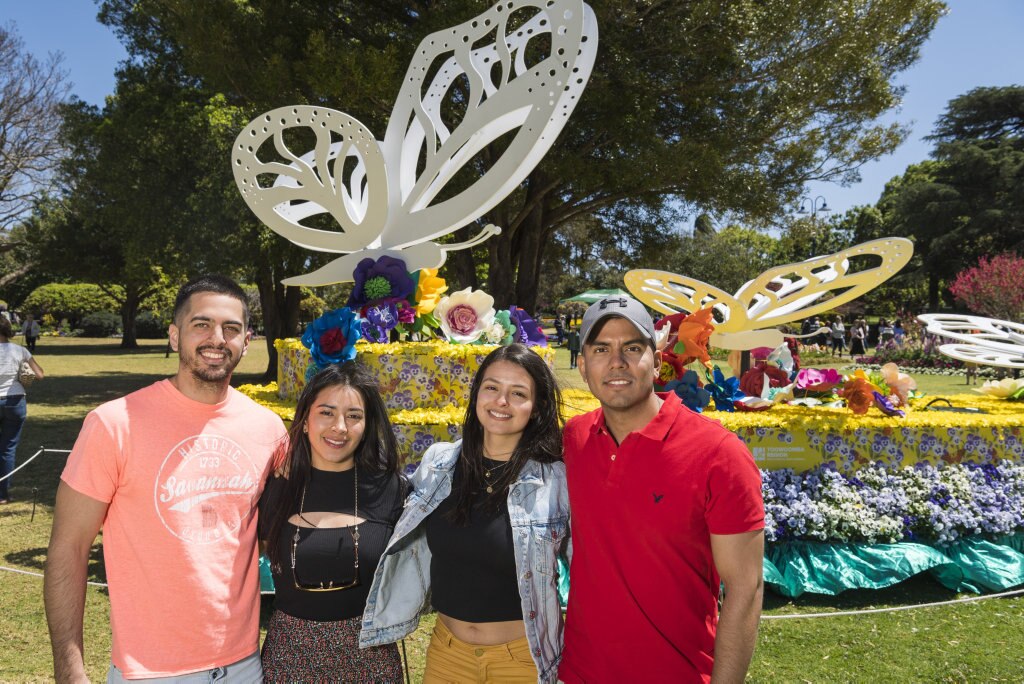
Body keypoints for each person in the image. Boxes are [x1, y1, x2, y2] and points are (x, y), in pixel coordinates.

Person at [44, 275, 288, 682]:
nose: (216, 338)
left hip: (244, 665)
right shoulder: (113, 424)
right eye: (201, 325)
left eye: (231, 328)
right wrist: (70, 674)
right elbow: (68, 548)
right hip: (149, 672)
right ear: (175, 336)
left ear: (247, 341)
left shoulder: (268, 428)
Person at [560, 295, 764, 683]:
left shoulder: (720, 453)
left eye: (632, 348)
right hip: (580, 673)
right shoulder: (574, 438)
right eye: (601, 349)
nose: (616, 362)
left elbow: (746, 588)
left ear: (656, 362)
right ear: (583, 366)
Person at [361, 343, 569, 683]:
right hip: (447, 653)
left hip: (521, 661)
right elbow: (386, 501)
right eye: (491, 388)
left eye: (518, 393)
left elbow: (590, 570)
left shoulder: (556, 479)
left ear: (537, 406)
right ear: (476, 394)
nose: (501, 402)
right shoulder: (439, 463)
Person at [259, 362, 406, 682]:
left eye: (354, 416)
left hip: (370, 661)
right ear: (306, 419)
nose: (340, 426)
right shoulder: (274, 487)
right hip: (290, 658)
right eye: (326, 412)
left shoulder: (391, 490)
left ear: (367, 425)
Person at [0, 316, 44, 504]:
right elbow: (40, 374)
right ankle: (2, 494)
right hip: (15, 401)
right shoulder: (20, 350)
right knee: (8, 449)